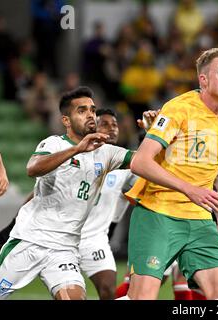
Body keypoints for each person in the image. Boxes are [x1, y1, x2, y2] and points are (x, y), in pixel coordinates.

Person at [118, 48, 218, 300]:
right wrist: (189, 189)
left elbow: (210, 172)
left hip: (199, 219)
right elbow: (140, 162)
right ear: (203, 80)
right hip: (158, 213)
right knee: (142, 296)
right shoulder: (177, 109)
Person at [0, 86, 134, 300]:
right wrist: (77, 149)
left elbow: (144, 160)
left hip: (64, 250)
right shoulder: (54, 143)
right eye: (82, 110)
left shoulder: (107, 152)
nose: (90, 114)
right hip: (29, 242)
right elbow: (32, 168)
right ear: (66, 121)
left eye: (92, 109)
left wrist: (155, 135)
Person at [78, 108, 137, 300]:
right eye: (104, 124)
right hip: (64, 236)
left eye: (115, 125)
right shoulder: (77, 156)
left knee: (108, 290)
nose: (112, 129)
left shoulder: (125, 166)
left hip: (95, 238)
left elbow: (142, 189)